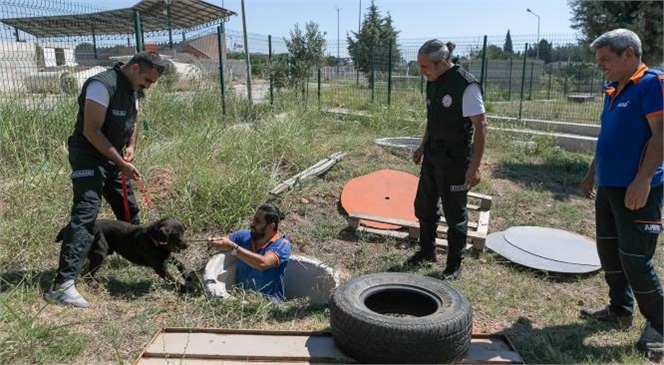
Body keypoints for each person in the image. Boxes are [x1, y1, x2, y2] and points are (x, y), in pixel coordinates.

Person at [44, 52, 166, 308]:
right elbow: (91, 130)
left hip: (112, 156)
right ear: (133, 68)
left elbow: (133, 120)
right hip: (88, 156)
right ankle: (62, 285)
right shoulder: (102, 85)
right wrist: (121, 163)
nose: (146, 86)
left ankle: (136, 250)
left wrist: (130, 146)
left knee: (127, 205)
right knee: (86, 212)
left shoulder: (134, 90)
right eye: (146, 80)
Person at [579, 28, 663, 355]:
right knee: (609, 253)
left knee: (635, 258)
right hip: (609, 186)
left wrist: (642, 179)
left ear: (628, 54)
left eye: (605, 59)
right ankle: (619, 310)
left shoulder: (652, 84)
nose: (600, 66)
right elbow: (607, 135)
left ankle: (659, 324)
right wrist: (591, 172)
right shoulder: (613, 88)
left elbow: (660, 136)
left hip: (639, 188)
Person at [407, 39, 488, 280]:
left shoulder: (466, 85)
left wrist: (475, 167)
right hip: (433, 155)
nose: (422, 72)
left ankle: (454, 265)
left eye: (424, 66)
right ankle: (427, 252)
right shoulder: (433, 83)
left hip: (455, 160)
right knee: (425, 206)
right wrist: (423, 145)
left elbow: (481, 126)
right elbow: (433, 119)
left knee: (455, 213)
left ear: (441, 63)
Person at [208, 204, 292, 302]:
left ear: (270, 226)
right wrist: (213, 242)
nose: (252, 223)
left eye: (257, 222)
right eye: (253, 219)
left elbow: (263, 263)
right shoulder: (245, 236)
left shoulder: (282, 245)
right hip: (241, 300)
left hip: (268, 306)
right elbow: (223, 241)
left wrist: (232, 248)